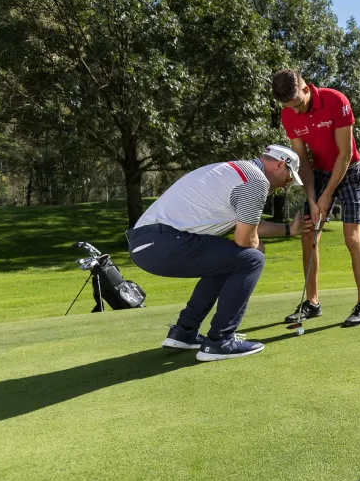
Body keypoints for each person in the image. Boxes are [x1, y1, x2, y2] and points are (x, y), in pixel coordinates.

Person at [126, 145, 304, 362]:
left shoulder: (236, 171)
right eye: (288, 179)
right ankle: (221, 340)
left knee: (227, 258)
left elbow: (245, 225)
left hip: (147, 243)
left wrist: (288, 230)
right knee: (251, 259)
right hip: (163, 242)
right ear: (279, 165)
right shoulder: (256, 181)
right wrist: (255, 245)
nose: (286, 187)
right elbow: (245, 238)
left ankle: (184, 332)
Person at [272, 69, 360, 327]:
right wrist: (313, 199)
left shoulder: (336, 101)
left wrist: (327, 196)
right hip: (318, 174)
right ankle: (312, 303)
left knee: (352, 238)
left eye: (296, 104)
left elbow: (345, 154)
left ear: (305, 89)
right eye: (287, 106)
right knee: (308, 233)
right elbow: (302, 161)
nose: (293, 111)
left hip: (348, 171)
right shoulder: (288, 114)